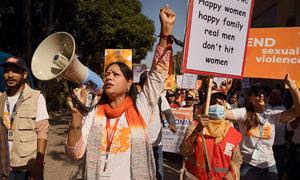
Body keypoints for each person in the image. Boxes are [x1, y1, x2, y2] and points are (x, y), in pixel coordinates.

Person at [65, 6, 175, 180]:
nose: (108, 77)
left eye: (116, 74)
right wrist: (76, 117)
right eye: (106, 74)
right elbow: (74, 153)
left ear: (129, 82)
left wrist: (165, 33)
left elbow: (158, 73)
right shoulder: (94, 112)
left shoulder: (141, 107)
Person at [226, 75, 300, 180]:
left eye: (265, 94)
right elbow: (224, 114)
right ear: (250, 98)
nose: (261, 95)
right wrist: (224, 93)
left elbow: (298, 110)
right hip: (248, 166)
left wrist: (293, 88)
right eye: (257, 93)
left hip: (269, 166)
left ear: (268, 98)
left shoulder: (273, 115)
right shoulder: (243, 113)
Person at [0, 56, 49, 180]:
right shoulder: (1, 99)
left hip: (26, 167)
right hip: (4, 166)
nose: (10, 75)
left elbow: (42, 131)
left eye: (15, 71)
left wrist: (39, 164)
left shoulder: (36, 97)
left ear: (25, 75)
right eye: (6, 71)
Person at [180, 91, 243, 180]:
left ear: (225, 107)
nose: (217, 106)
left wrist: (231, 174)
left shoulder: (231, 132)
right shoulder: (195, 125)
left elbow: (237, 159)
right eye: (212, 103)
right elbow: (184, 150)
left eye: (220, 103)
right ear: (206, 106)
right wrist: (197, 130)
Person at [137, 71, 177, 180]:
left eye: (150, 82)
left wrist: (172, 123)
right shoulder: (136, 98)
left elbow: (168, 112)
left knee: (158, 172)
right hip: (140, 143)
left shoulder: (159, 97)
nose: (149, 85)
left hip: (156, 143)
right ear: (141, 84)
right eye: (146, 82)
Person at [268, 89, 287, 179]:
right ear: (271, 96)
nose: (277, 97)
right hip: (268, 144)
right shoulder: (266, 107)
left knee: (280, 164)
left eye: (279, 95)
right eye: (275, 95)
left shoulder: (283, 108)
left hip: (280, 143)